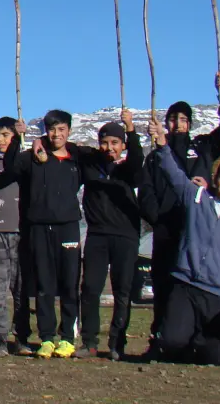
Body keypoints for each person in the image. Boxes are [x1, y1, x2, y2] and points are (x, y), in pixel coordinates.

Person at [140, 72, 220, 351]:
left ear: (190, 124)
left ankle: (201, 339)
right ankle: (160, 338)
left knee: (196, 284)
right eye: (173, 119)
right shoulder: (156, 155)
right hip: (166, 229)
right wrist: (157, 218)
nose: (178, 124)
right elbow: (145, 191)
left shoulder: (203, 147)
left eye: (183, 119)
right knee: (164, 284)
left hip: (197, 230)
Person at [149, 118, 220, 366]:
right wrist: (162, 143)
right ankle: (187, 340)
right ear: (215, 178)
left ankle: (211, 343)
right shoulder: (197, 198)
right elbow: (174, 174)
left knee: (215, 357)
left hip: (217, 292)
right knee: (172, 342)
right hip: (185, 284)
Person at [3, 110, 89, 359]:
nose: (56, 135)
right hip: (39, 227)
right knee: (44, 285)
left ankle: (68, 338)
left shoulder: (76, 159)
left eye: (61, 129)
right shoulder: (33, 157)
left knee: (70, 283)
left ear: (69, 131)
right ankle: (47, 338)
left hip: (68, 226)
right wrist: (18, 139)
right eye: (51, 130)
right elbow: (11, 167)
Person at [78, 111, 144, 360]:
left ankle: (117, 343)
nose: (109, 148)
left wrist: (131, 129)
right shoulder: (90, 166)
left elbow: (137, 160)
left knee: (122, 291)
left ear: (123, 145)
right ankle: (89, 342)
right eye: (105, 142)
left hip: (125, 237)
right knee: (90, 288)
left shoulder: (128, 171)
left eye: (115, 143)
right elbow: (73, 150)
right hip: (97, 235)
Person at [0, 116, 34, 356]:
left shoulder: (26, 160)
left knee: (21, 287)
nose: (0, 140)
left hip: (22, 230)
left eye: (5, 135)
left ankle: (22, 337)